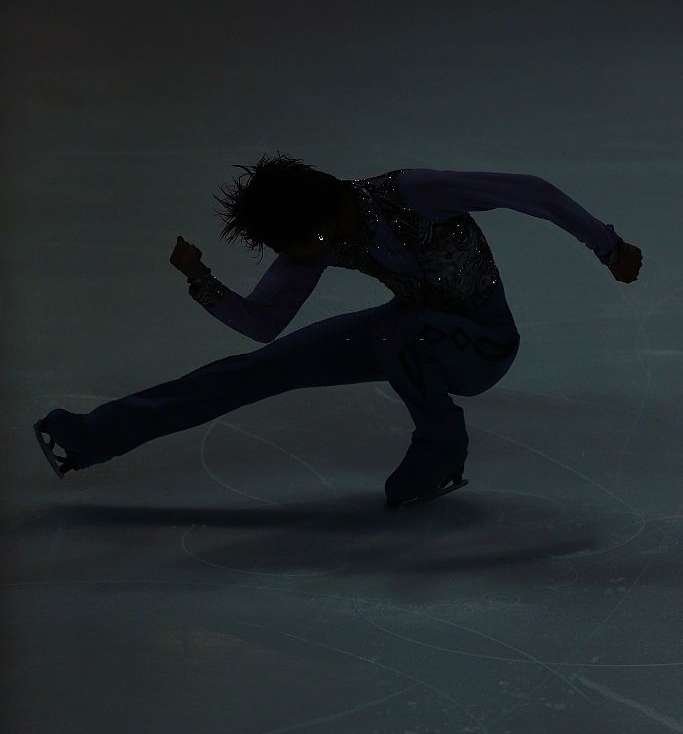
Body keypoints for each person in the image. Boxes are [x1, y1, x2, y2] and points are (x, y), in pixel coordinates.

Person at [33, 151, 643, 509]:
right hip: (406, 333)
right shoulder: (317, 239)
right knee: (261, 371)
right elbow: (264, 326)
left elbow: (529, 191)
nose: (311, 254)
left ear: (325, 207)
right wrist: (203, 281)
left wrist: (608, 246)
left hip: (482, 347)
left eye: (313, 241)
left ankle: (442, 446)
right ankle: (89, 438)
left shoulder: (416, 193)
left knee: (393, 331)